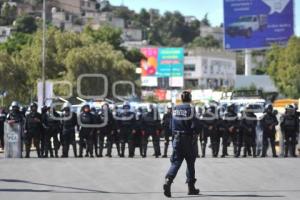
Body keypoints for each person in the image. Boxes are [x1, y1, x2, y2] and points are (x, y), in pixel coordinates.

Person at [164, 91, 200, 197]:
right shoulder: (191, 109)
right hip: (188, 139)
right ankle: (191, 188)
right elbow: (196, 125)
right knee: (190, 163)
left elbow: (171, 126)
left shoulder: (175, 109)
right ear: (190, 98)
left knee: (176, 162)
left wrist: (173, 139)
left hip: (177, 138)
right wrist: (196, 134)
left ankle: (168, 181)